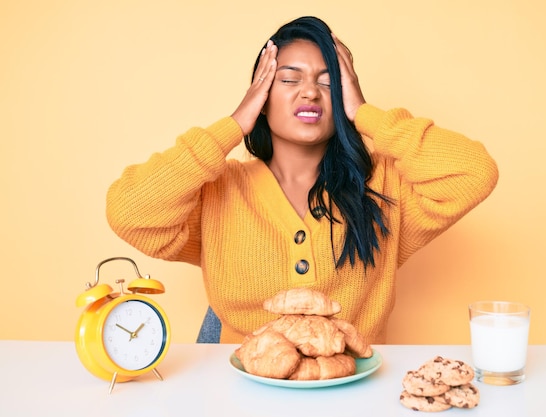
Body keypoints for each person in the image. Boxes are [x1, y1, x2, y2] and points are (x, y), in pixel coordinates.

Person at [106, 16, 499, 344]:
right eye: (289, 79)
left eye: (328, 82)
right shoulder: (217, 192)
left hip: (352, 393)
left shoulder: (383, 187)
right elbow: (129, 211)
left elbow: (474, 172)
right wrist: (232, 125)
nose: (310, 91)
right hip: (232, 391)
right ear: (261, 97)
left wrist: (365, 113)